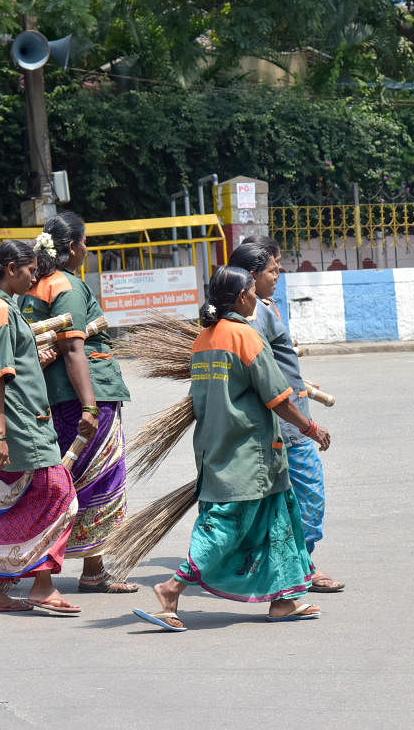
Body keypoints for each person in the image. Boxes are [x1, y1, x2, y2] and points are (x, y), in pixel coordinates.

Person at [132, 265, 332, 631]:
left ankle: (284, 600)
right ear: (242, 297)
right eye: (253, 291)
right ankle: (171, 587)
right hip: (249, 452)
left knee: (277, 519)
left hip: (216, 446)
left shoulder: (203, 339)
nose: (257, 297)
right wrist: (311, 428)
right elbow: (278, 397)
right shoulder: (244, 337)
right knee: (224, 525)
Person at [20, 212, 137, 594]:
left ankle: (69, 567)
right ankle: (90, 570)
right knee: (98, 477)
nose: (86, 249)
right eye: (84, 242)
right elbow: (72, 349)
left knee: (67, 478)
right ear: (72, 247)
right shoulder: (67, 285)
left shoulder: (34, 287)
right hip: (88, 396)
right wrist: (89, 406)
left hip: (55, 397)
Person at [0, 239, 82, 616]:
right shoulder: (0, 312)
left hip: (14, 423)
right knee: (62, 496)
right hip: (19, 426)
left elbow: (9, 363)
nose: (35, 275)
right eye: (30, 270)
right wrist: (0, 434)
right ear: (10, 269)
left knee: (10, 504)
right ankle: (42, 586)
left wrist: (34, 357)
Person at [234, 238, 345, 593]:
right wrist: (307, 425)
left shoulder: (263, 308)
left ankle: (290, 565)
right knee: (307, 499)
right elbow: (260, 374)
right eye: (272, 269)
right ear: (251, 276)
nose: (279, 273)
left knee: (290, 500)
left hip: (288, 421)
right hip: (287, 427)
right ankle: (302, 568)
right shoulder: (254, 315)